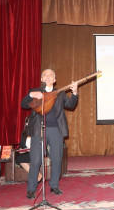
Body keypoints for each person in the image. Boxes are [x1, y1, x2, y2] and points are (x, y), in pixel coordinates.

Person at [21, 69, 78, 199]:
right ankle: (31, 188)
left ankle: (54, 185)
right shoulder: (35, 92)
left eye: (51, 75)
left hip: (56, 130)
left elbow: (70, 105)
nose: (48, 77)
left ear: (54, 79)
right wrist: (32, 94)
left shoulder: (60, 93)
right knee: (35, 160)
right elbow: (23, 104)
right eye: (45, 75)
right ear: (41, 79)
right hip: (38, 129)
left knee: (56, 158)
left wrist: (74, 92)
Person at [15, 115, 42, 182]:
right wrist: (21, 149)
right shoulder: (23, 133)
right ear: (26, 123)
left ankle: (35, 177)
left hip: (36, 152)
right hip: (26, 152)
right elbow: (21, 145)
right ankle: (38, 175)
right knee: (19, 158)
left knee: (33, 157)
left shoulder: (38, 132)